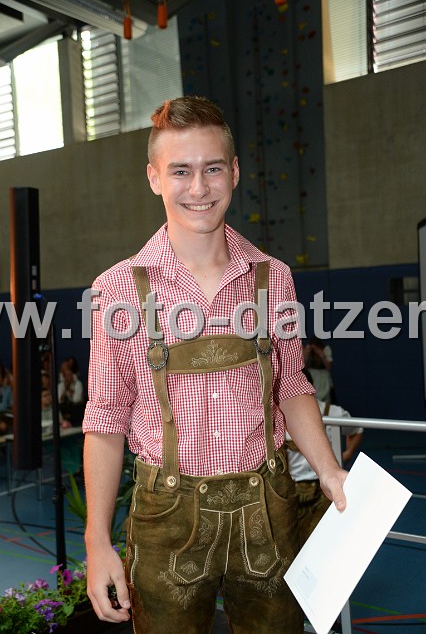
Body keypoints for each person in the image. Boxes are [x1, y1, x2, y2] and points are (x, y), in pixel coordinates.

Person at [82, 96, 348, 634]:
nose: (199, 188)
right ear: (154, 178)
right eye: (180, 170)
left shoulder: (271, 277)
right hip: (166, 518)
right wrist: (96, 541)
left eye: (212, 169)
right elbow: (106, 418)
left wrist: (328, 469)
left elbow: (291, 385)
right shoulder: (117, 289)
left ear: (235, 172)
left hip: (268, 508)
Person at [286, 371, 363, 546]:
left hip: (324, 488)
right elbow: (357, 429)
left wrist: (347, 454)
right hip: (294, 489)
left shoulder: (332, 412)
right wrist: (348, 453)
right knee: (302, 540)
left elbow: (357, 429)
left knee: (320, 539)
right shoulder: (277, 415)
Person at [303, 335, 334, 402]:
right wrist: (306, 354)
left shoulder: (325, 349)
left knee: (325, 396)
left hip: (323, 376)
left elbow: (329, 366)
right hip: (312, 375)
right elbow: (303, 366)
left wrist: (320, 353)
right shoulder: (307, 350)